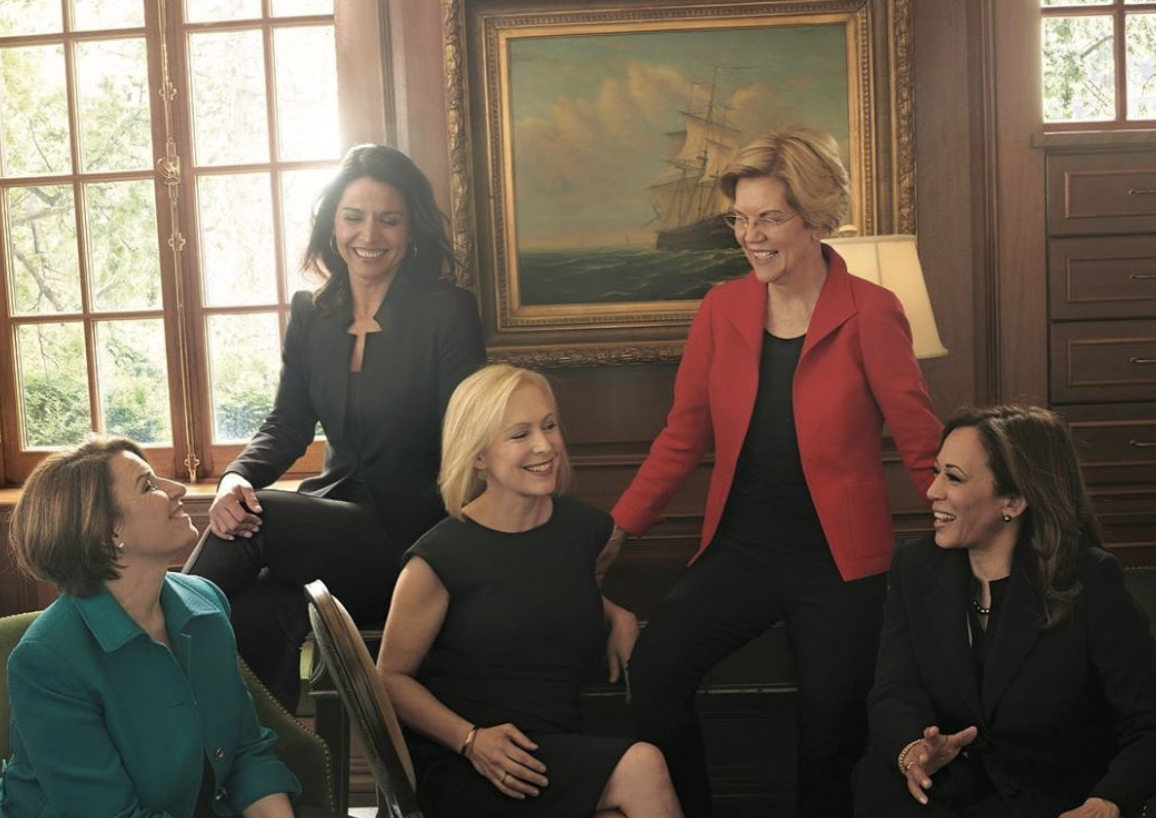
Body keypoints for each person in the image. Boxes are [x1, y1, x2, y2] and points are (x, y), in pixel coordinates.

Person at [603, 126, 944, 818]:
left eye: (769, 217)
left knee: (830, 736)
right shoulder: (722, 311)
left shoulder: (873, 312)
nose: (750, 235)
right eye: (740, 218)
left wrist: (973, 524)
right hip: (742, 550)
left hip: (842, 564)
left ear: (816, 219)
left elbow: (921, 442)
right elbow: (682, 437)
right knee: (657, 672)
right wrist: (616, 529)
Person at [184, 144, 486, 709]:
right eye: (354, 216)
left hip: (411, 541)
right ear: (332, 224)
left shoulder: (447, 311)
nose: (369, 233)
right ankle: (271, 782)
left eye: (388, 218)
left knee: (261, 514)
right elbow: (286, 425)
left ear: (410, 228)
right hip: (334, 528)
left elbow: (471, 435)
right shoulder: (312, 313)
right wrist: (233, 479)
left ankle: (145, 645)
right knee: (257, 610)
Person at [376, 364, 684, 818]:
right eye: (519, 435)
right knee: (643, 766)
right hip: (473, 764)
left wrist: (613, 612)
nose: (544, 446)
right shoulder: (437, 558)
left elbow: (538, 590)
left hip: (554, 748)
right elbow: (389, 678)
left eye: (549, 425)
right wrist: (470, 741)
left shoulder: (583, 530)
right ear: (478, 456)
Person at [0, 437, 347, 818]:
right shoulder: (46, 662)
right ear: (105, 533)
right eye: (148, 485)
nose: (178, 489)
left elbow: (247, 753)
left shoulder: (205, 602)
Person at [854, 405, 1156, 818]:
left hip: (1050, 800)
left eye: (953, 477)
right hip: (943, 794)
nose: (932, 491)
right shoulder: (914, 567)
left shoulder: (1091, 579)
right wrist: (914, 751)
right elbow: (894, 690)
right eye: (937, 471)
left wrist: (1109, 801)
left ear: (1013, 500)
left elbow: (1148, 720)